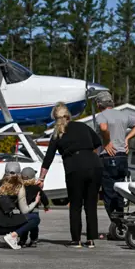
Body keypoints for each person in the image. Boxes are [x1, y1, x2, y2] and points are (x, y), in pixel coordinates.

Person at [38, 102, 103, 248]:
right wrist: (93, 158)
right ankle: (91, 240)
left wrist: (41, 179)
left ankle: (76, 240)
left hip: (75, 167)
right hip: (95, 165)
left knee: (75, 205)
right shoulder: (83, 126)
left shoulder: (57, 134)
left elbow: (48, 157)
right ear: (69, 115)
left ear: (55, 118)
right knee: (91, 205)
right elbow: (98, 143)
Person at [94, 91, 135, 232]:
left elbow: (104, 128)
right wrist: (127, 139)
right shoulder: (123, 115)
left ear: (99, 104)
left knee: (109, 193)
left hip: (108, 157)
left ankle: (118, 224)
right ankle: (120, 222)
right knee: (120, 191)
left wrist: (107, 142)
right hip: (122, 156)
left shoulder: (101, 116)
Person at [0, 162, 41, 250]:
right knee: (35, 218)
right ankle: (12, 236)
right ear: (19, 173)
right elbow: (24, 211)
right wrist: (36, 201)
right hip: (2, 227)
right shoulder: (19, 187)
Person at [18, 167, 49, 248]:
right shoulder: (36, 188)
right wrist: (46, 205)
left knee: (23, 225)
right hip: (34, 211)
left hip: (23, 211)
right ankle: (33, 240)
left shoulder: (20, 188)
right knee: (34, 226)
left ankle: (22, 240)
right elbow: (43, 197)